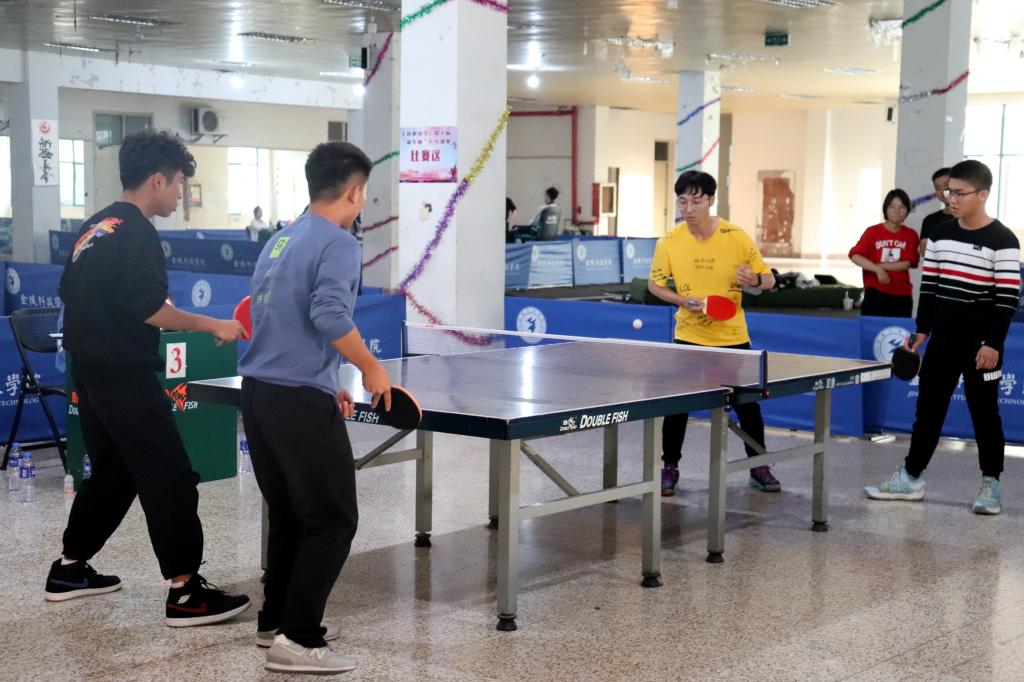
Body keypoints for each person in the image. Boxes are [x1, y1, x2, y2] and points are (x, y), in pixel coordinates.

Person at [47, 129, 251, 627]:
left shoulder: (95, 226)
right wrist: (211, 324)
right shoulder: (138, 231)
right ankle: (186, 592)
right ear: (157, 179)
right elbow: (148, 308)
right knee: (170, 475)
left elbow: (70, 291)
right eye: (179, 182)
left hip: (89, 372)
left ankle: (69, 569)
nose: (181, 194)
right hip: (123, 374)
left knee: (116, 472)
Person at [238, 141, 392, 674]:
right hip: (296, 401)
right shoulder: (341, 243)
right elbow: (328, 313)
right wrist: (370, 368)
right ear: (355, 192)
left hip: (260, 394)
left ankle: (275, 621)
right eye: (364, 193)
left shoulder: (280, 239)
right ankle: (300, 639)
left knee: (290, 516)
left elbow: (276, 318)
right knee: (332, 520)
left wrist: (327, 378)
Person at [865, 160, 1021, 515]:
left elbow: (1006, 298)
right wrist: (922, 330)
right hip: (943, 342)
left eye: (960, 193)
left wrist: (993, 343)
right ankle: (911, 478)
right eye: (949, 191)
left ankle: (991, 484)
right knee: (928, 411)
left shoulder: (1004, 240)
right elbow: (930, 286)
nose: (951, 198)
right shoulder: (939, 234)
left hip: (982, 345)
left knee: (985, 413)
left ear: (982, 195)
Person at [647, 170, 779, 497]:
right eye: (682, 201)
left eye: (696, 201)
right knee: (677, 406)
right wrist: (682, 301)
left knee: (748, 406)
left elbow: (769, 280)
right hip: (689, 336)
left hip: (733, 338)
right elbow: (655, 285)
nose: (688, 208)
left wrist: (754, 280)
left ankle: (758, 465)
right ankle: (670, 467)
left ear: (710, 200)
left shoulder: (736, 236)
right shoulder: (669, 242)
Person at [849, 189, 919, 317]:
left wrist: (878, 266)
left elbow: (906, 264)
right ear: (886, 209)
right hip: (875, 292)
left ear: (907, 211)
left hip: (902, 295)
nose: (897, 211)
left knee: (897, 329)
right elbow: (855, 256)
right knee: (872, 329)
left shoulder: (911, 234)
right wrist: (877, 270)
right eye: (892, 207)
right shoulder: (872, 232)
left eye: (902, 207)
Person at [918, 167, 955, 257]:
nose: (943, 192)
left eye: (946, 186)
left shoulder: (968, 218)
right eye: (938, 188)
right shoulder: (930, 220)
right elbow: (924, 251)